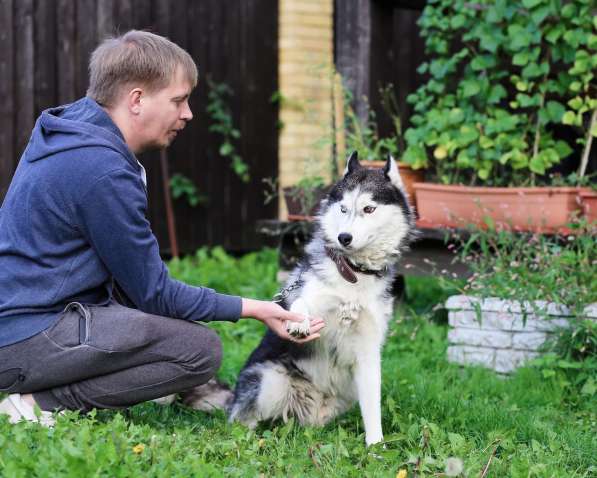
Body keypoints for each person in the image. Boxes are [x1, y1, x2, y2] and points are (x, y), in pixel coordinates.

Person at [0, 30, 324, 426]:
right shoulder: (101, 170)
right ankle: (40, 403)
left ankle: (173, 387)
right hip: (25, 339)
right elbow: (154, 294)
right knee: (198, 350)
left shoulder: (72, 130)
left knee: (170, 328)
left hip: (26, 322)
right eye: (179, 100)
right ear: (136, 100)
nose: (188, 113)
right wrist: (258, 309)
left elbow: (137, 286)